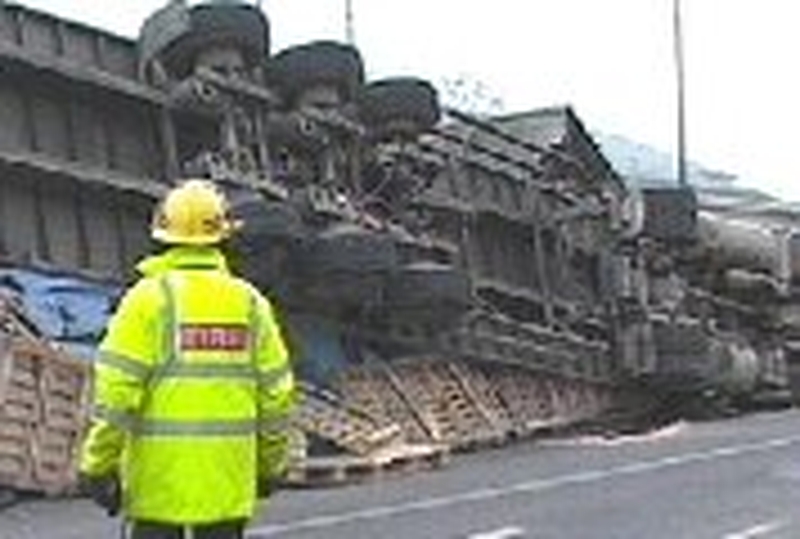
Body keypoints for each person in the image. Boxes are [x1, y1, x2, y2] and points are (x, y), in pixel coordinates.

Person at [78, 179, 296, 539]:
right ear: (224, 236)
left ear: (161, 234)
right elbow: (277, 396)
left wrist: (97, 465)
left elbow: (116, 395)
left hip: (157, 490)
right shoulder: (249, 304)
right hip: (227, 487)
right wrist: (271, 465)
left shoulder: (147, 300)